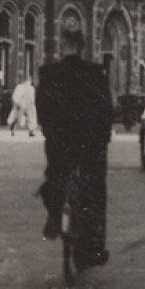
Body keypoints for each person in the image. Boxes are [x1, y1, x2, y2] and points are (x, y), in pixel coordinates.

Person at [37, 27, 115, 270]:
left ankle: (53, 216)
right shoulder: (94, 73)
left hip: (60, 142)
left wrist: (49, 131)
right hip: (89, 144)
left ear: (62, 46)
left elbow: (42, 107)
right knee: (95, 191)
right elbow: (106, 109)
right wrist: (103, 138)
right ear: (82, 48)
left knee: (54, 176)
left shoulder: (49, 73)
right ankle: (94, 249)